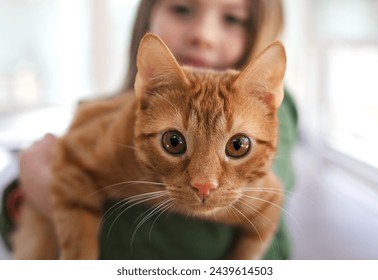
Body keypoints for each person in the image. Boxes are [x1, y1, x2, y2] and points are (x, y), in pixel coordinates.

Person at [0, 0, 298, 259]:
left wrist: (48, 195)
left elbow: (193, 250)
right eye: (174, 142)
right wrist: (18, 197)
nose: (203, 184)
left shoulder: (272, 112)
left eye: (237, 146)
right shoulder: (101, 110)